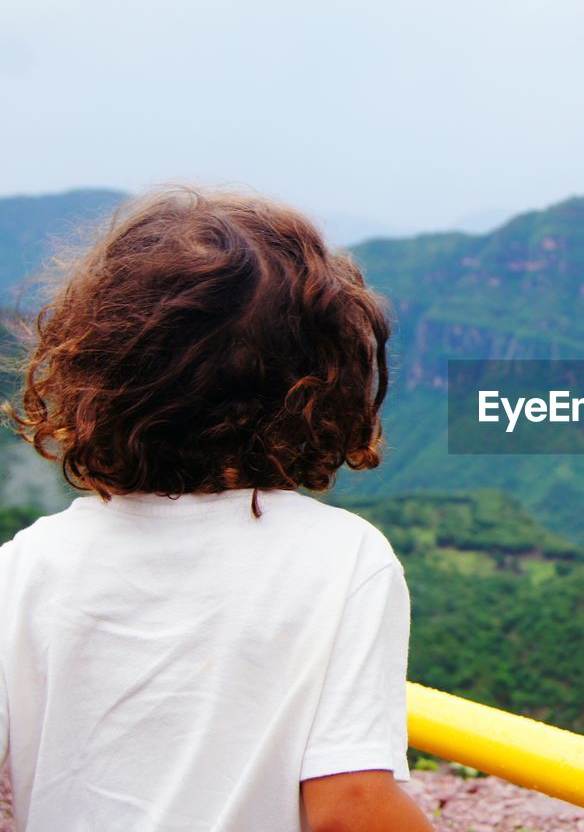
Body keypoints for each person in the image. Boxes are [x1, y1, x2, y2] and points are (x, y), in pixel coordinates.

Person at [0, 188, 436, 831]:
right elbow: (349, 808)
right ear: (321, 383)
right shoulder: (343, 559)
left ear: (93, 364)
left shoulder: (26, 563)